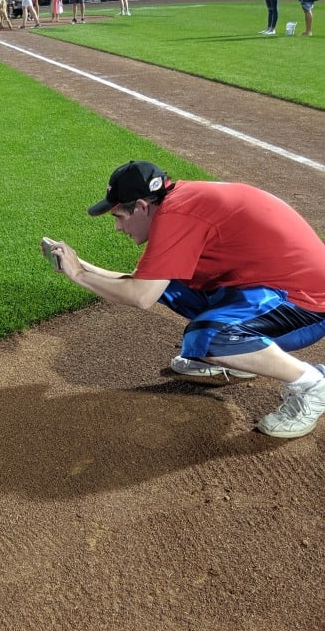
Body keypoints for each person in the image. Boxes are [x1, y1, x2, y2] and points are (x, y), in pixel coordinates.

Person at [44, 160, 325, 440]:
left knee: (208, 338)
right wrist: (78, 264)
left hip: (306, 303)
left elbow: (141, 297)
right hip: (268, 286)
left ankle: (311, 384)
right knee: (170, 284)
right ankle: (238, 359)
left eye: (119, 217)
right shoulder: (178, 202)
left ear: (142, 206)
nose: (118, 228)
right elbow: (145, 285)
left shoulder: (178, 215)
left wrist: (79, 275)